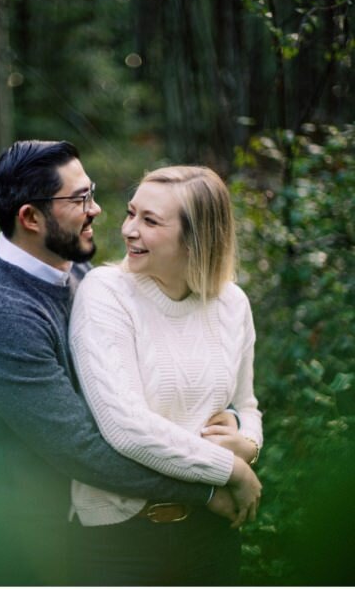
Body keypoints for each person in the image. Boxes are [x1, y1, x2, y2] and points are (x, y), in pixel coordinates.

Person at [0, 140, 238, 585]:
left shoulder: (81, 277)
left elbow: (153, 378)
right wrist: (207, 486)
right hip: (15, 544)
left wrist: (228, 421)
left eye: (91, 192)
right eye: (79, 199)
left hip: (78, 530)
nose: (97, 209)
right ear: (30, 217)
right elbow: (79, 446)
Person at [68, 165, 262, 585]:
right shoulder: (105, 293)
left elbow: (247, 404)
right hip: (122, 539)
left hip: (213, 530)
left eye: (150, 221)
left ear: (197, 238)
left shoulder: (232, 304)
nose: (128, 230)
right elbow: (125, 427)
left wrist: (248, 443)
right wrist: (230, 469)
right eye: (131, 213)